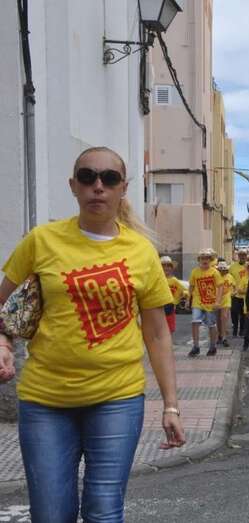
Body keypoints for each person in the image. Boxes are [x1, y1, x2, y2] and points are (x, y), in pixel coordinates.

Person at [0, 146, 185, 522]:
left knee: (103, 510)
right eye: (87, 177)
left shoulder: (141, 252)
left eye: (109, 179)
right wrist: (2, 341)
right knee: (51, 514)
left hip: (116, 398)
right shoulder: (42, 241)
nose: (97, 187)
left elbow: (157, 336)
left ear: (122, 188)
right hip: (45, 400)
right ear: (73, 186)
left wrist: (171, 405)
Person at [188, 248, 224, 357]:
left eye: (207, 258)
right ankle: (196, 346)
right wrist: (188, 299)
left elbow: (220, 287)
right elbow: (191, 286)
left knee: (211, 325)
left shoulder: (215, 272)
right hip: (197, 301)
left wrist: (217, 301)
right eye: (202, 258)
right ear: (199, 260)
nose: (205, 260)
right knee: (195, 321)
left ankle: (212, 346)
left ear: (210, 260)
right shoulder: (195, 272)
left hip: (210, 303)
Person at [161, 256, 186, 334]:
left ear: (171, 268)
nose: (166, 268)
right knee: (159, 329)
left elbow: (183, 290)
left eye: (168, 266)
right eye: (163, 266)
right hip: (158, 307)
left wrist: (183, 295)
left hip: (170, 307)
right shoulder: (157, 280)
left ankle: (168, 345)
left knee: (169, 329)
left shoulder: (174, 281)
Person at [228, 249, 249, 337]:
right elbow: (228, 278)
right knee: (234, 312)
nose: (242, 256)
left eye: (244, 255)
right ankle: (235, 328)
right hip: (235, 294)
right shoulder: (232, 267)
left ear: (246, 256)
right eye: (240, 255)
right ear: (238, 256)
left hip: (245, 294)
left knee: (243, 313)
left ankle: (242, 330)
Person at [216, 261, 235, 347]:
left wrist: (233, 292)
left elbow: (234, 286)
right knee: (218, 319)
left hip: (226, 299)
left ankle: (224, 337)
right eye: (220, 270)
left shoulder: (230, 277)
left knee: (224, 317)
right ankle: (219, 335)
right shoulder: (215, 276)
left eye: (224, 270)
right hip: (217, 299)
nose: (222, 271)